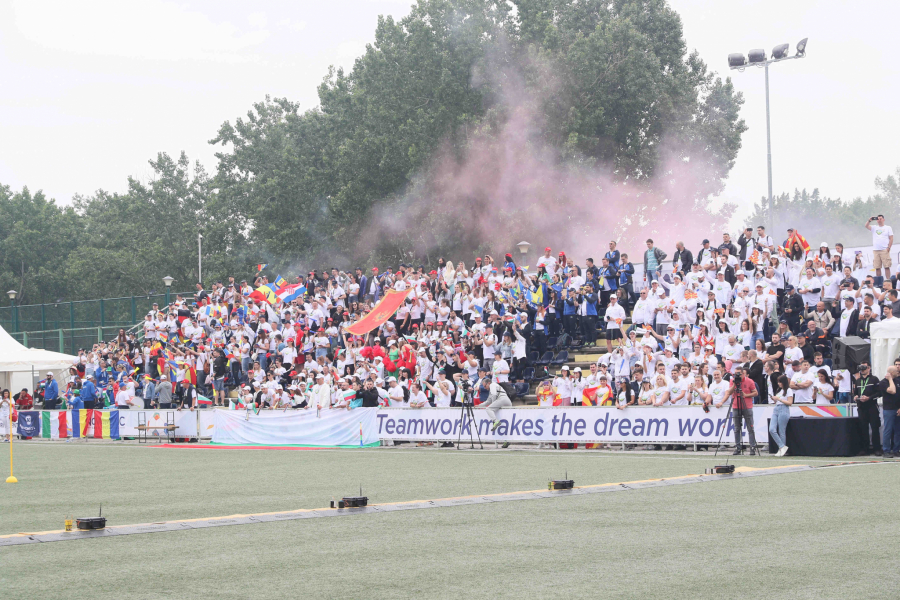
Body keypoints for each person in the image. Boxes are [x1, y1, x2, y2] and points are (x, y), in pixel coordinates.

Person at [851, 362, 882, 456]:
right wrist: (855, 397)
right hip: (861, 407)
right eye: (861, 368)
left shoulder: (874, 379)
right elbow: (855, 393)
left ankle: (877, 448)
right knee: (863, 428)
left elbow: (879, 393)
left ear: (869, 368)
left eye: (864, 367)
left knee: (875, 427)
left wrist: (869, 398)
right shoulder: (858, 381)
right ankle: (865, 449)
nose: (862, 370)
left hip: (872, 407)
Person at [729, 366, 758, 455]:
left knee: (750, 427)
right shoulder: (732, 381)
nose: (737, 376)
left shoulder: (749, 381)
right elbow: (729, 392)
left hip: (747, 406)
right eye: (735, 374)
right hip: (736, 406)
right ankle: (738, 447)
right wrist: (734, 384)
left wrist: (746, 395)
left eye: (739, 374)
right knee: (736, 428)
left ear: (743, 373)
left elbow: (755, 393)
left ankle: (752, 447)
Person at [769, 374, 793, 456]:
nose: (778, 383)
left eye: (780, 382)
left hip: (784, 409)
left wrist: (779, 399)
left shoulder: (788, 390)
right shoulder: (779, 390)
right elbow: (778, 401)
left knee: (781, 431)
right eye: (778, 382)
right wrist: (775, 399)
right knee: (772, 429)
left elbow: (790, 403)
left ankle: (781, 449)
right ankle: (782, 446)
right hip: (776, 409)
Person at [878, 366, 900, 458]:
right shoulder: (883, 382)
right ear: (891, 373)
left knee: (898, 430)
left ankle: (896, 450)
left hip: (897, 409)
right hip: (889, 409)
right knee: (888, 430)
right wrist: (890, 379)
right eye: (896, 371)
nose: (898, 372)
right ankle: (886, 450)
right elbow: (893, 391)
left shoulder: (898, 381)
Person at [865, 214, 893, 282]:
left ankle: (888, 280)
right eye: (878, 219)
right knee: (877, 267)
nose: (879, 220)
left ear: (883, 219)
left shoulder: (888, 227)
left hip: (884, 249)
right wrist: (869, 220)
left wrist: (889, 247)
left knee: (886, 266)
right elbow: (866, 226)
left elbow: (891, 238)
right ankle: (879, 282)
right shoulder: (874, 227)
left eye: (880, 219)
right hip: (876, 250)